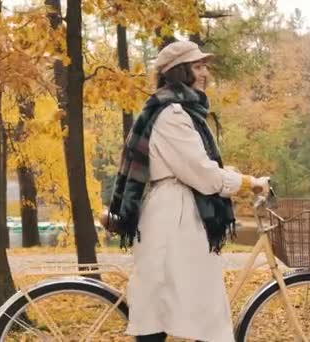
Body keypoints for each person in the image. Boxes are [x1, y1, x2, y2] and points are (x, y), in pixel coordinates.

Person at [101, 40, 269, 342]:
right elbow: (203, 176)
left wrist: (231, 175)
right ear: (178, 72)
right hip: (174, 225)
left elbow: (196, 166)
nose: (205, 72)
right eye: (197, 66)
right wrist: (246, 182)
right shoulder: (173, 115)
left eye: (204, 65)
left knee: (168, 316)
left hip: (177, 220)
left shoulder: (178, 112)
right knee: (192, 317)